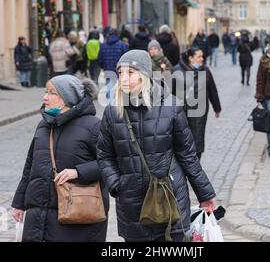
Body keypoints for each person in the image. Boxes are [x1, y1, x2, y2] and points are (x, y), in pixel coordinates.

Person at [97, 50, 217, 242]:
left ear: (144, 75)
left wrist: (205, 193)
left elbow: (188, 155)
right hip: (132, 204)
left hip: (171, 198)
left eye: (130, 73)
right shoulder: (113, 112)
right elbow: (104, 154)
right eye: (120, 73)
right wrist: (118, 184)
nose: (124, 79)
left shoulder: (171, 106)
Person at [11, 75, 109, 242]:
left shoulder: (93, 126)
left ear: (66, 98)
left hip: (77, 217)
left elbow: (110, 163)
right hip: (38, 216)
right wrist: (19, 203)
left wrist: (78, 172)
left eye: (51, 93)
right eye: (45, 91)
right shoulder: (44, 126)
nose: (44, 97)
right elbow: (30, 167)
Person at [173, 48, 222, 160]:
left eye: (202, 56)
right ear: (190, 58)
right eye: (199, 57)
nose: (202, 59)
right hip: (181, 112)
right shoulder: (177, 70)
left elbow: (212, 90)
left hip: (200, 112)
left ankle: (196, 166)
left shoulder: (206, 70)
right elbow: (169, 92)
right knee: (182, 139)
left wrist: (217, 108)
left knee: (198, 138)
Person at [98, 28, 129, 103]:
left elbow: (100, 58)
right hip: (120, 70)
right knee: (122, 87)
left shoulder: (103, 45)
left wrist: (103, 66)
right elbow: (127, 58)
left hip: (108, 69)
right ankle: (122, 104)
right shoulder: (122, 45)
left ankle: (111, 105)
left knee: (109, 87)